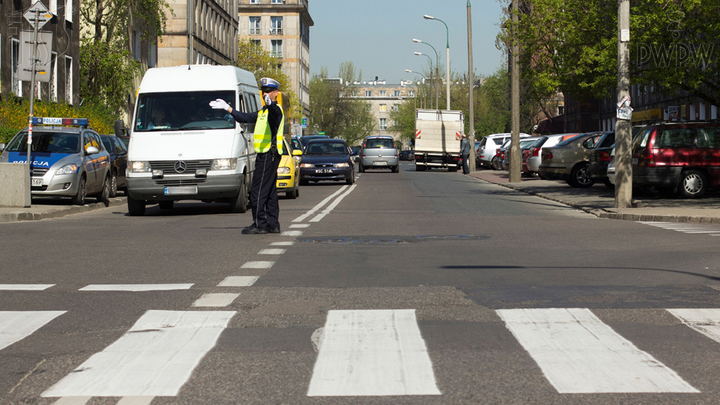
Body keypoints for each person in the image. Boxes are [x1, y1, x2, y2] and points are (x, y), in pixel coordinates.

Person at [209, 77, 284, 234]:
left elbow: (275, 113)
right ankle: (273, 223)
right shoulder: (263, 112)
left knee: (257, 190)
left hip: (268, 155)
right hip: (268, 156)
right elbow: (245, 118)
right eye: (264, 92)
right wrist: (228, 109)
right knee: (270, 191)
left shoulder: (275, 111)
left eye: (269, 92)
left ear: (276, 93)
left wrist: (271, 105)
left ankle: (259, 224)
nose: (265, 94)